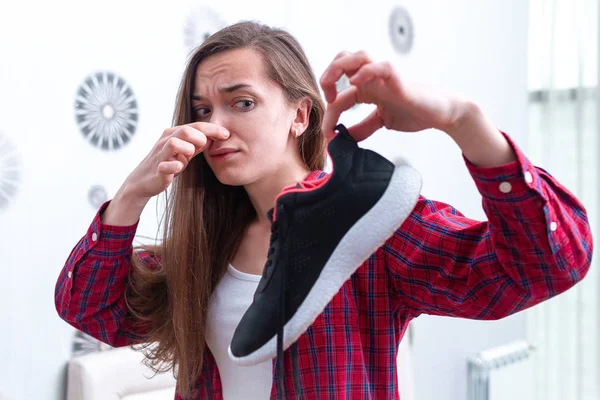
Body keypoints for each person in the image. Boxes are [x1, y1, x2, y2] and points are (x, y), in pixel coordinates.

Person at [54, 21, 593, 400]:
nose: (215, 126)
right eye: (202, 110)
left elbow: (547, 264)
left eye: (241, 103)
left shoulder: (370, 228)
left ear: (299, 114)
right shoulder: (203, 248)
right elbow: (92, 311)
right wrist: (130, 197)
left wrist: (462, 119)